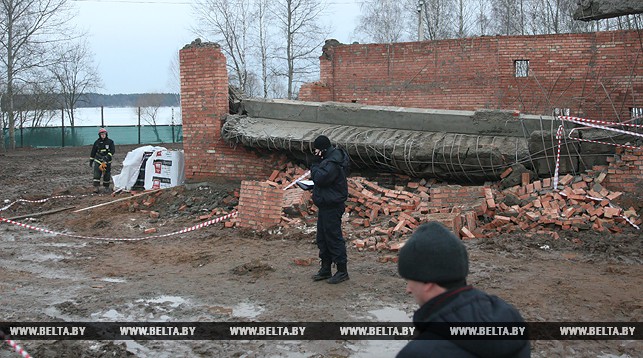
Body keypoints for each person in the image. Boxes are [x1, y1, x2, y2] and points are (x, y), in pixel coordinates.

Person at [397, 221, 531, 357]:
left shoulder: (419, 353)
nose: (408, 289)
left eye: (409, 280)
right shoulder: (509, 317)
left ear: (427, 282)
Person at [310, 135, 350, 284]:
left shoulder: (333, 162)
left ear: (323, 149)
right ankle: (325, 268)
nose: (315, 153)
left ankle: (342, 271)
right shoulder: (328, 159)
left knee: (333, 237)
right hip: (325, 204)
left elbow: (321, 178)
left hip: (332, 206)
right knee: (323, 238)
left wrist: (314, 165)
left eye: (317, 150)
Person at [89, 128, 115, 194]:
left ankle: (106, 187)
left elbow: (112, 151)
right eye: (101, 134)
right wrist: (91, 160)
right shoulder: (96, 142)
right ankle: (96, 187)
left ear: (106, 134)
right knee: (97, 173)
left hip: (107, 161)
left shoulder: (110, 142)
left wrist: (107, 156)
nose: (103, 135)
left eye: (104, 134)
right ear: (99, 135)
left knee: (107, 174)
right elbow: (93, 151)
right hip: (98, 160)